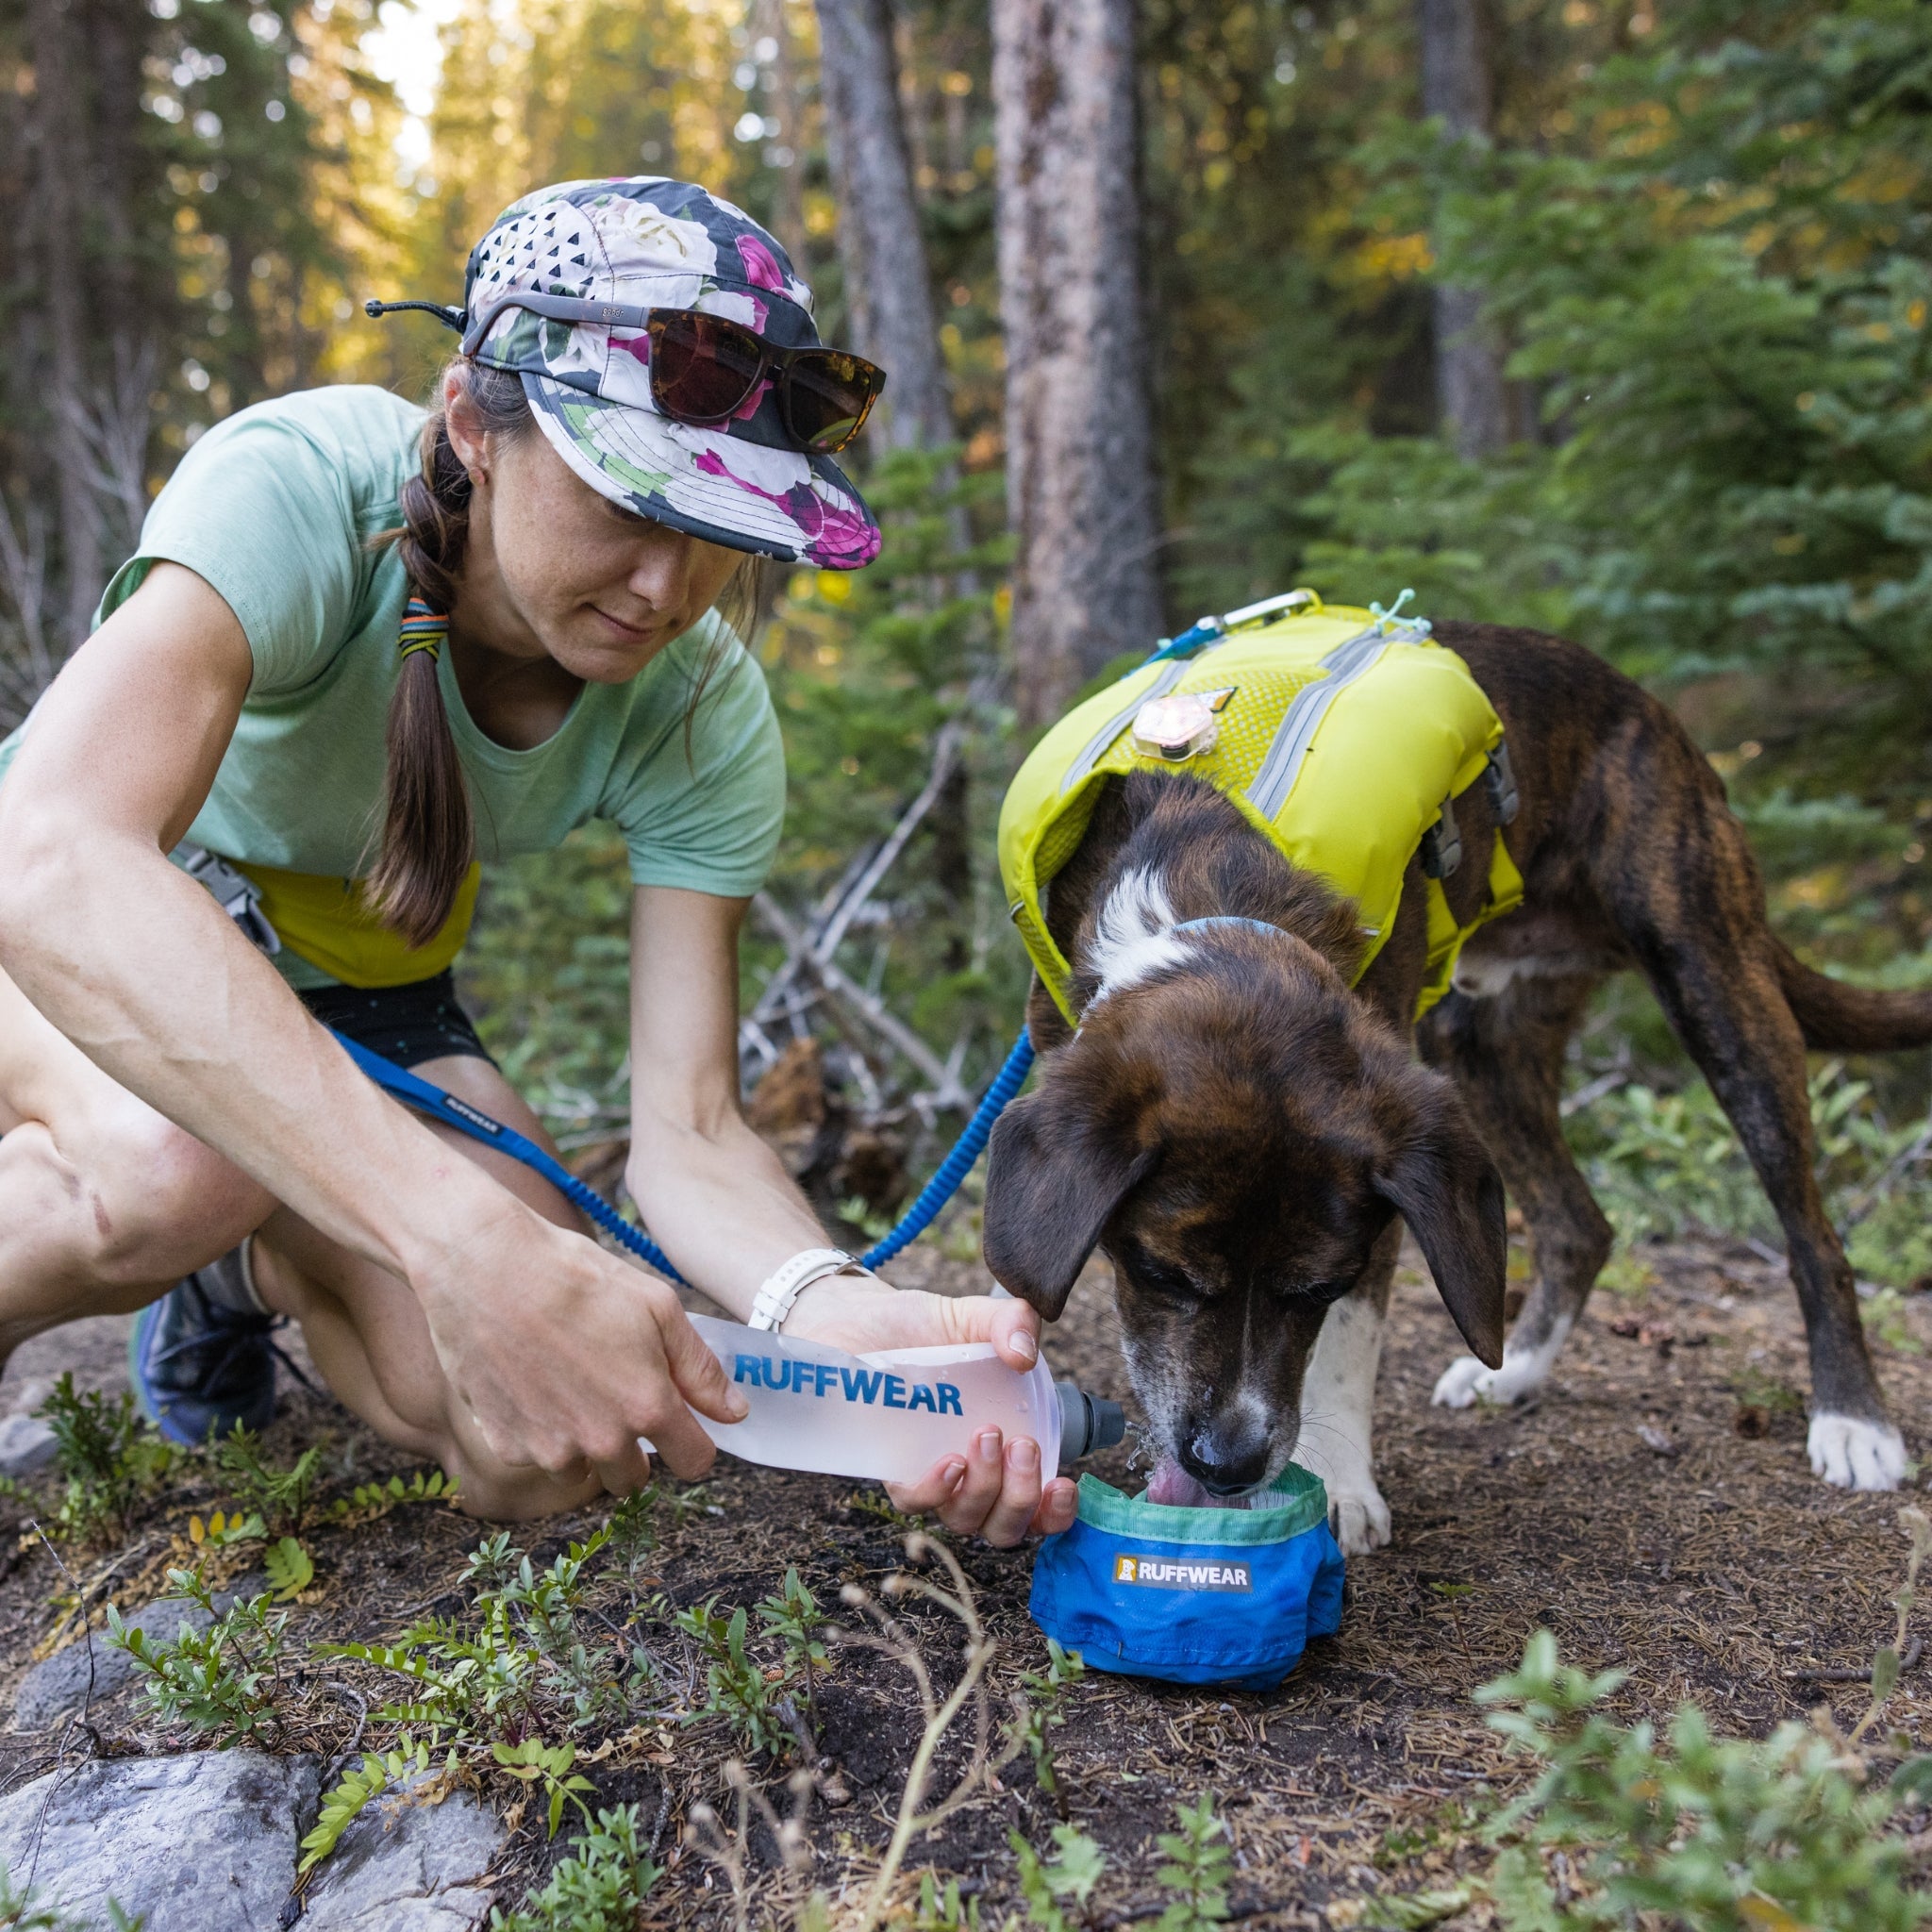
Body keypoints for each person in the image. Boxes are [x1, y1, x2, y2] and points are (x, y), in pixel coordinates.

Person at [0, 177, 1076, 1547]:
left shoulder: (700, 707)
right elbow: (55, 858)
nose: (664, 587)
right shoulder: (302, 488)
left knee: (552, 1424)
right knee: (174, 1168)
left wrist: (827, 1306)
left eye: (717, 527)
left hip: (366, 1006)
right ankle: (216, 1212)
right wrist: (456, 1235)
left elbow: (691, 1130)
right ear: (473, 423)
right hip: (61, 951)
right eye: (627, 500)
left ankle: (238, 1271)